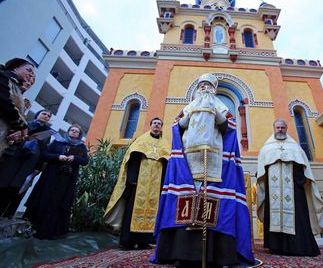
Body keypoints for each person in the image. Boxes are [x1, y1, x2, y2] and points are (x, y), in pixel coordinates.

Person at [152, 73, 254, 267]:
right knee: (186, 199)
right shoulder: (189, 106)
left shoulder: (220, 105)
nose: (204, 88)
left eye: (208, 85)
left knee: (211, 200)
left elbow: (230, 127)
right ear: (198, 88)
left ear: (214, 89)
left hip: (214, 159)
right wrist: (189, 115)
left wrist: (215, 113)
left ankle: (214, 256)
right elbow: (177, 126)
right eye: (202, 85)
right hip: (188, 161)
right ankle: (182, 254)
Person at [256, 119, 323, 256]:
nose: (280, 129)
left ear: (286, 128)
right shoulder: (267, 147)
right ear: (274, 128)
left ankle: (298, 247)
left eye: (282, 127)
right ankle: (276, 247)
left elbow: (303, 167)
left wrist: (299, 179)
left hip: (294, 190)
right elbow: (262, 168)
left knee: (298, 216)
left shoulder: (295, 147)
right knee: (274, 215)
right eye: (278, 127)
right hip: (273, 190)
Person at [104, 118, 170, 249]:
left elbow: (167, 164)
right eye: (154, 123)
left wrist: (164, 183)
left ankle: (144, 241)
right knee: (132, 211)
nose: (156, 125)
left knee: (152, 212)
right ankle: (128, 241)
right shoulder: (141, 141)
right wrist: (131, 179)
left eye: (159, 124)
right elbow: (132, 160)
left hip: (155, 186)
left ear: (161, 127)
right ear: (150, 125)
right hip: (138, 183)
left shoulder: (165, 144)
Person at [24, 124, 88, 239]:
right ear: (68, 132)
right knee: (45, 199)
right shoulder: (58, 142)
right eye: (72, 130)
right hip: (51, 177)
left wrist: (75, 158)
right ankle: (36, 228)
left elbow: (85, 161)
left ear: (79, 135)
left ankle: (53, 231)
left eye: (76, 131)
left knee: (58, 203)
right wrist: (58, 157)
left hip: (66, 181)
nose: (74, 132)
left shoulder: (81, 147)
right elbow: (45, 154)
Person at [0, 109, 53, 218]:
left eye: (48, 116)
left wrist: (39, 166)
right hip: (15, 156)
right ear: (37, 114)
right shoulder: (26, 124)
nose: (46, 116)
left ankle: (9, 213)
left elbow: (44, 151)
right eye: (44, 114)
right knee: (4, 183)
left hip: (31, 162)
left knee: (19, 188)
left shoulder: (47, 134)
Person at [0, 58, 35, 157]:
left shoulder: (15, 87)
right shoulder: (3, 76)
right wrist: (23, 126)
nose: (30, 75)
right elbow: (4, 103)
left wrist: (19, 132)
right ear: (15, 68)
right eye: (29, 70)